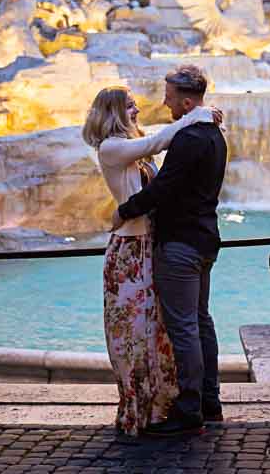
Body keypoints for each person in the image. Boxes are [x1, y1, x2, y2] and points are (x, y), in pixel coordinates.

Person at [83, 86, 222, 438]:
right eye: (130, 107)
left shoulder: (134, 147)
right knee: (132, 335)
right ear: (112, 112)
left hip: (150, 245)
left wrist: (200, 117)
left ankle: (168, 402)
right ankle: (136, 408)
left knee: (157, 332)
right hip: (129, 251)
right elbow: (158, 142)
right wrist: (200, 115)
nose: (137, 111)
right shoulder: (112, 148)